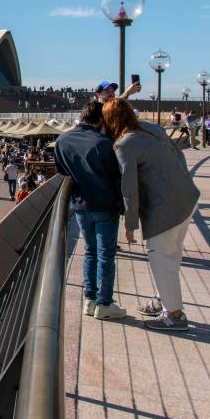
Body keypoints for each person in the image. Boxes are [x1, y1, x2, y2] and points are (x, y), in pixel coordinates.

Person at [104, 99, 201, 332]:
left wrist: (130, 224)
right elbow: (180, 156)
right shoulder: (153, 128)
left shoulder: (124, 144)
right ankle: (163, 301)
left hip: (164, 209)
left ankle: (175, 316)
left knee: (160, 258)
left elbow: (129, 188)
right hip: (186, 198)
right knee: (173, 255)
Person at [54, 100, 126, 320]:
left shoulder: (62, 140)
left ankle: (89, 299)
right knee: (106, 254)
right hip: (105, 206)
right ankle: (104, 304)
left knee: (90, 252)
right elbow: (117, 178)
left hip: (81, 206)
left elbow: (61, 170)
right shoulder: (103, 143)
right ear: (100, 120)